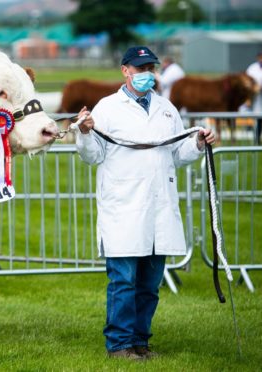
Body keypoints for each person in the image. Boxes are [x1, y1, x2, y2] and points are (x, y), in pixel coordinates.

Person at [73, 46, 215, 360]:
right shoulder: (108, 108)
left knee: (149, 284)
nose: (145, 74)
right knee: (123, 281)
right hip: (123, 206)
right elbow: (93, 155)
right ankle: (119, 344)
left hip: (158, 207)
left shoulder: (167, 109)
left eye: (149, 68)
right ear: (125, 71)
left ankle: (140, 341)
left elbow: (178, 154)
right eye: (139, 69)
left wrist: (197, 143)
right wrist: (83, 133)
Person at [246, 51, 262, 144]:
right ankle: (256, 139)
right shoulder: (252, 68)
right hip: (256, 98)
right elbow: (247, 82)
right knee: (258, 120)